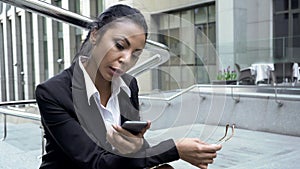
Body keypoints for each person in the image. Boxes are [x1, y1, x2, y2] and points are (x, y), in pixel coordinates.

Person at [35, 4, 222, 169]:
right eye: (119, 45)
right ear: (95, 35)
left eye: (135, 54)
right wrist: (174, 149)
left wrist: (137, 145)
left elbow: (132, 149)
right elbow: (96, 162)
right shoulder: (53, 93)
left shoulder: (129, 85)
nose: (126, 59)